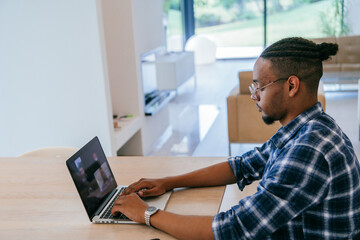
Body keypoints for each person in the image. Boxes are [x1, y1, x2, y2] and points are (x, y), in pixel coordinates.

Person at [111, 37, 360, 239]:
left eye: (259, 87)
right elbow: (242, 165)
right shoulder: (308, 127)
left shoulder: (309, 150)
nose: (254, 96)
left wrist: (146, 214)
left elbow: (233, 229)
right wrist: (168, 182)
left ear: (291, 86)